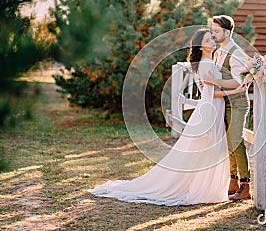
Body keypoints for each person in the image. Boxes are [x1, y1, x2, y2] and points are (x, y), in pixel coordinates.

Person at [88, 28, 245, 205]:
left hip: (211, 109)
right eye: (208, 40)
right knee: (204, 151)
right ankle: (200, 189)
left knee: (200, 152)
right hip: (210, 110)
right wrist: (236, 90)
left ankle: (203, 186)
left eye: (212, 38)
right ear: (200, 46)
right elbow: (212, 94)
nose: (212, 41)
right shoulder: (206, 64)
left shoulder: (207, 61)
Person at [204, 15, 251, 200]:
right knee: (228, 142)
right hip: (224, 103)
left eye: (216, 31)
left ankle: (245, 185)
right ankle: (232, 180)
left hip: (237, 104)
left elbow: (237, 82)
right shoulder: (219, 52)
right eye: (212, 30)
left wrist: (214, 81)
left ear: (227, 32)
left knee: (236, 140)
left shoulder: (236, 53)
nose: (213, 34)